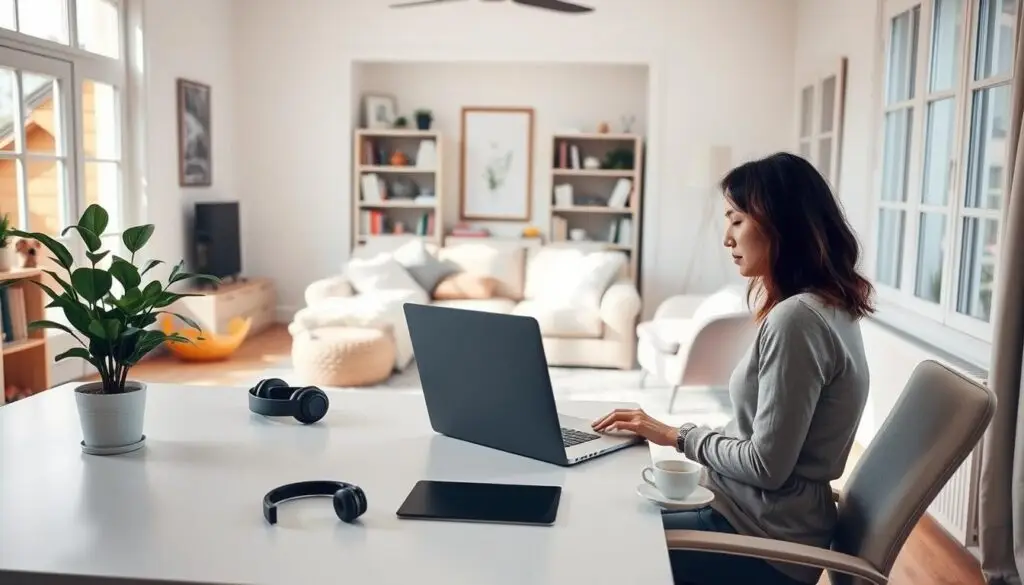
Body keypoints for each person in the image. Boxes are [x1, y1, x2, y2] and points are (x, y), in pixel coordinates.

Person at [592, 152, 874, 585]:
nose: (727, 238)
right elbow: (766, 442)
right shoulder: (832, 307)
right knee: (610, 507)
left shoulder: (798, 319)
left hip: (762, 543)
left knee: (600, 545)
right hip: (753, 515)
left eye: (737, 219)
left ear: (784, 223)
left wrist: (676, 435)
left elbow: (766, 466)